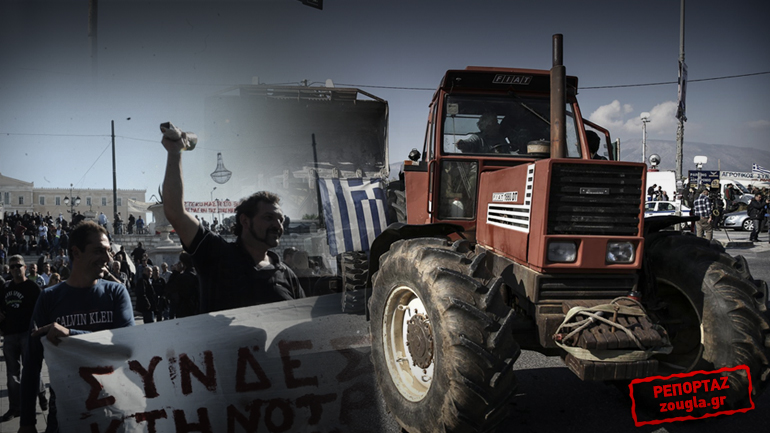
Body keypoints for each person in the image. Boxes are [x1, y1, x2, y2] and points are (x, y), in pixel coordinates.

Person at [162, 135, 305, 313]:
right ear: (245, 220)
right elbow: (176, 213)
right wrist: (175, 152)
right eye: (269, 218)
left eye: (281, 220)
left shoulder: (286, 274)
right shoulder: (216, 254)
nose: (278, 225)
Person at [18, 221, 134, 433]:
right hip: (64, 415)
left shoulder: (116, 293)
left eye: (108, 251)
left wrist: (70, 335)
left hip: (114, 411)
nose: (108, 259)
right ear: (76, 252)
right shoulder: (49, 298)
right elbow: (32, 364)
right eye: (99, 251)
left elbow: (126, 347)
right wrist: (27, 422)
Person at [1, 256, 47, 422]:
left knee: (32, 369)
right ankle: (15, 407)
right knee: (12, 375)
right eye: (12, 267)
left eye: (18, 266)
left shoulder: (32, 287)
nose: (15, 269)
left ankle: (41, 393)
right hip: (10, 335)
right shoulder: (6, 287)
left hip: (28, 334)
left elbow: (42, 309)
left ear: (25, 267)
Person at [165, 252, 199, 318]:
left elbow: (169, 289)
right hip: (195, 309)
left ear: (183, 264)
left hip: (183, 310)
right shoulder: (196, 275)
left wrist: (176, 272)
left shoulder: (181, 277)